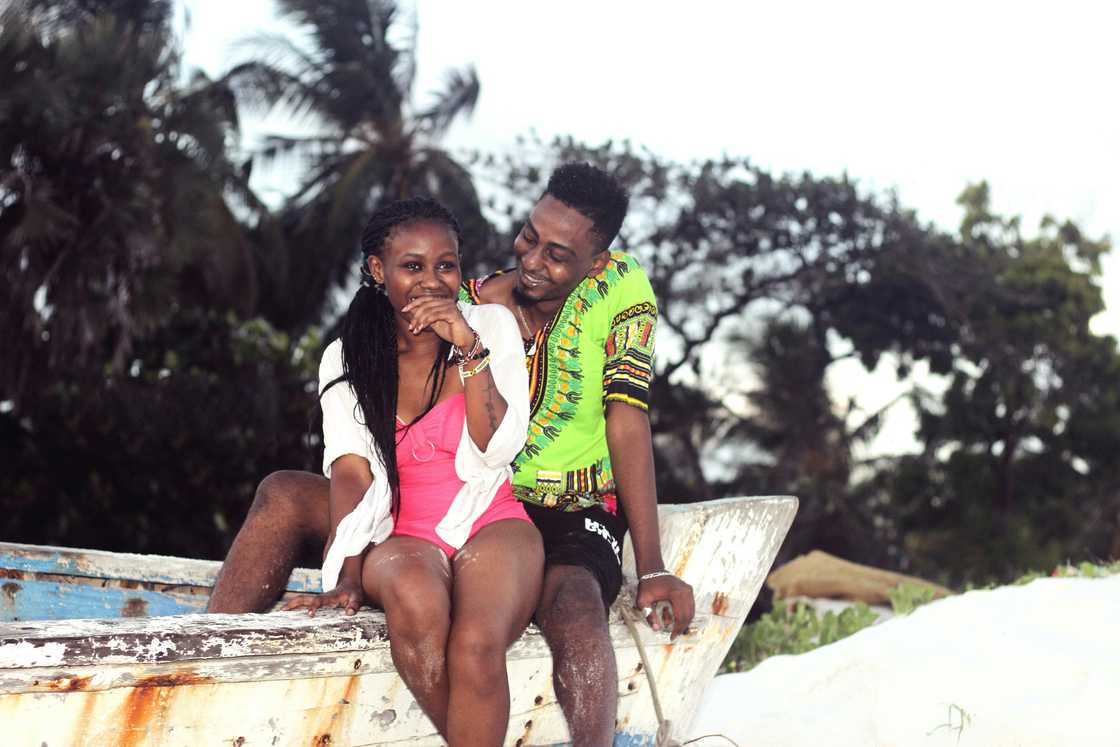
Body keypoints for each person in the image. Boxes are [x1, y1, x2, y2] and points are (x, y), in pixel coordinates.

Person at [207, 164, 696, 747]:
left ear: (594, 264)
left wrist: (655, 565)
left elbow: (624, 419)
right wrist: (347, 571)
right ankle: (203, 662)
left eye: (558, 254)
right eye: (529, 237)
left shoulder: (597, 298)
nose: (534, 260)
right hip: (407, 509)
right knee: (283, 492)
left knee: (566, 609)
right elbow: (352, 466)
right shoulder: (440, 313)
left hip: (543, 502)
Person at [277, 197, 542, 745]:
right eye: (412, 266)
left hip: (489, 517)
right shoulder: (347, 357)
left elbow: (497, 447)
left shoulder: (489, 326)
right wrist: (346, 574)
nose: (432, 281)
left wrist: (468, 350)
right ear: (379, 270)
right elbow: (351, 472)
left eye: (446, 265)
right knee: (417, 602)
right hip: (401, 531)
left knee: (475, 646)